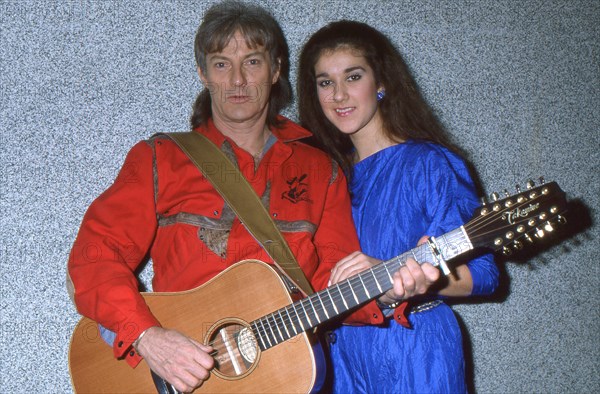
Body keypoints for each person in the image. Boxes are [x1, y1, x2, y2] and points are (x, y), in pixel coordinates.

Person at [67, 3, 387, 393]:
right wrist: (148, 337)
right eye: (221, 64)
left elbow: (333, 281)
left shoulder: (322, 171)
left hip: (285, 377)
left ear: (275, 69)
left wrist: (388, 291)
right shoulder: (161, 158)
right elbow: (95, 257)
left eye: (252, 62)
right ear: (203, 73)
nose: (237, 80)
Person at [298, 20, 500, 393]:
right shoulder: (325, 178)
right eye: (325, 82)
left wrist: (414, 280)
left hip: (416, 351)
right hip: (342, 360)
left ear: (382, 82)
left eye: (353, 76)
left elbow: (485, 274)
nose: (339, 95)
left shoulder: (430, 163)